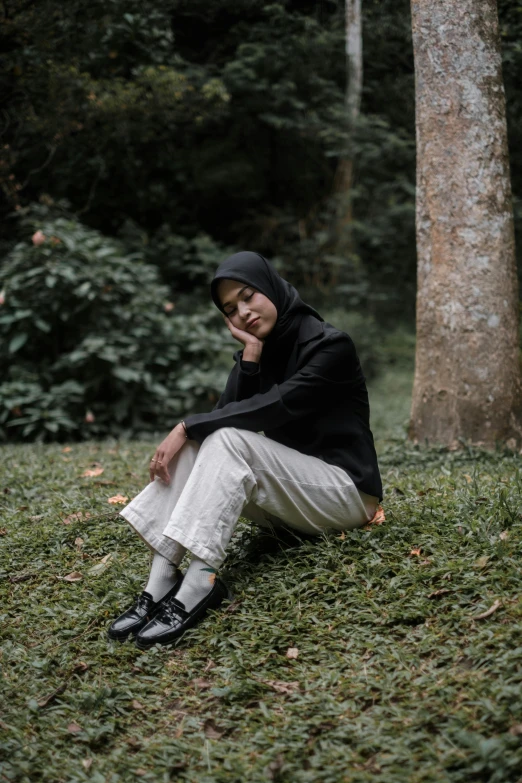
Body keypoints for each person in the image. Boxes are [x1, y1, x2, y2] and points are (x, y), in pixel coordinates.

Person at [108, 251, 383, 649]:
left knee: (216, 435)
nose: (244, 312)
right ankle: (161, 579)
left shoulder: (330, 345)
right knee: (204, 439)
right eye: (231, 309)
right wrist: (250, 357)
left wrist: (185, 424)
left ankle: (199, 585)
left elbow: (274, 406)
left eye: (249, 295)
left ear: (270, 286)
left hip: (346, 496)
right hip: (294, 500)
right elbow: (224, 416)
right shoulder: (263, 349)